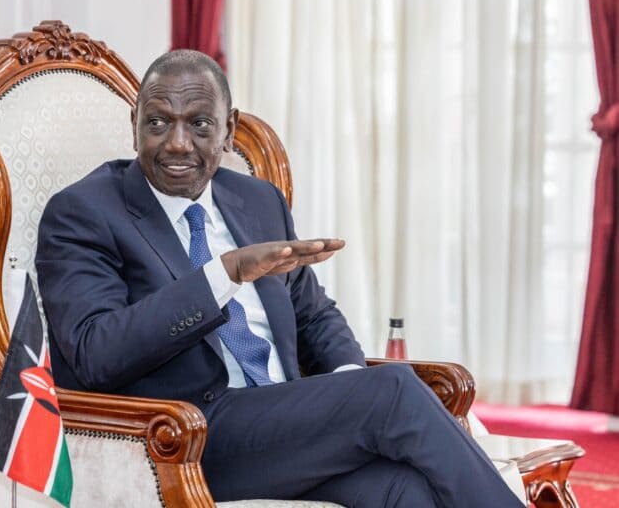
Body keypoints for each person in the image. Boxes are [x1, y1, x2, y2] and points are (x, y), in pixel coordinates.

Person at [35, 50, 523, 507]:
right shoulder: (84, 212)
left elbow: (314, 314)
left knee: (408, 491)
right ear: (135, 125)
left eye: (199, 124)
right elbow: (95, 353)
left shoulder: (257, 200)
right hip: (186, 437)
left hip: (286, 426)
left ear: (229, 130)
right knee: (394, 388)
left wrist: (348, 389)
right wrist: (224, 274)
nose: (177, 143)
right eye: (158, 122)